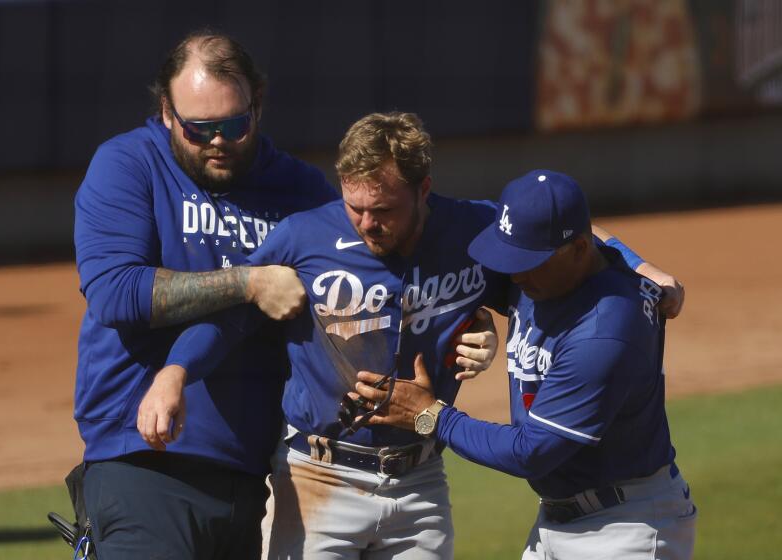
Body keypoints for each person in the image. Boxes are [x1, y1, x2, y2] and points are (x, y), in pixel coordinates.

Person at [146, 113, 684, 559]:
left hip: (420, 483)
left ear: (424, 189)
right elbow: (235, 314)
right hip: (317, 478)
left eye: (382, 209)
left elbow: (567, 235)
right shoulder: (303, 237)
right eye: (353, 205)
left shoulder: (472, 230)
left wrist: (640, 266)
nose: (365, 222)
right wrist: (176, 372)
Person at [72, 30, 341, 559]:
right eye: (199, 128)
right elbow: (116, 292)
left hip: (248, 471)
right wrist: (250, 280)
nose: (218, 140)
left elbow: (366, 275)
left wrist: (465, 326)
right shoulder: (129, 165)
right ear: (167, 112)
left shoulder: (300, 191)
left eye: (234, 125)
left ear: (258, 104)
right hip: (142, 459)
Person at [352, 170, 697, 559]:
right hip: (557, 521)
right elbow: (583, 230)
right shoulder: (548, 269)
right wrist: (639, 262)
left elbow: (530, 452)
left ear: (579, 251)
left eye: (529, 261)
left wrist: (429, 415)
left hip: (625, 529)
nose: (514, 272)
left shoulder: (606, 330)